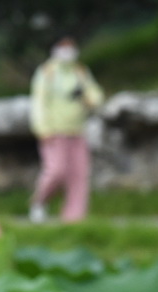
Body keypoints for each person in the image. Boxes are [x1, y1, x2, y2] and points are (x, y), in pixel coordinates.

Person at [28, 36, 104, 223]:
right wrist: (42, 128)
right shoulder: (47, 72)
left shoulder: (80, 71)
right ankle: (39, 201)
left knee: (79, 175)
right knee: (56, 171)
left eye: (71, 47)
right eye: (64, 48)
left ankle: (74, 218)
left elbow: (96, 97)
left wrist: (85, 96)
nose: (68, 52)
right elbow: (38, 102)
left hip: (77, 130)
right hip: (54, 131)